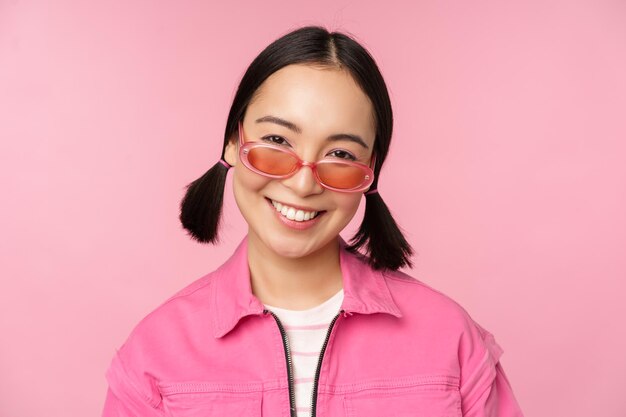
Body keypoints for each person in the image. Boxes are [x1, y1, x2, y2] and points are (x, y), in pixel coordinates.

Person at [101, 26, 524, 417]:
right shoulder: (153, 355)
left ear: (370, 170)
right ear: (233, 142)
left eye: (340, 154)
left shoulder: (452, 341)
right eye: (277, 141)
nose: (303, 183)